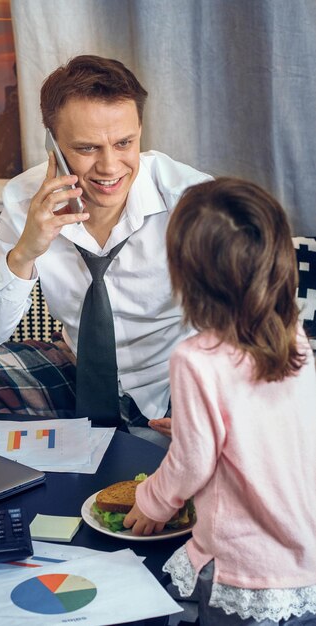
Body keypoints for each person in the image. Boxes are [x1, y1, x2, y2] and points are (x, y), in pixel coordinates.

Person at [0, 55, 210, 442]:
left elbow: (247, 325)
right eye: (87, 148)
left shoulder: (192, 199)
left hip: (174, 383)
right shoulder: (24, 199)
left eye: (124, 143)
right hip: (79, 372)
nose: (110, 166)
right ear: (52, 143)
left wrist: (216, 406)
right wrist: (26, 250)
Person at [123, 178, 316, 624]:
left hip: (246, 565)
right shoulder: (295, 339)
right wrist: (199, 428)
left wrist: (151, 503)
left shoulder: (195, 358)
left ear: (187, 277)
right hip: (303, 557)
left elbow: (191, 464)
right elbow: (284, 422)